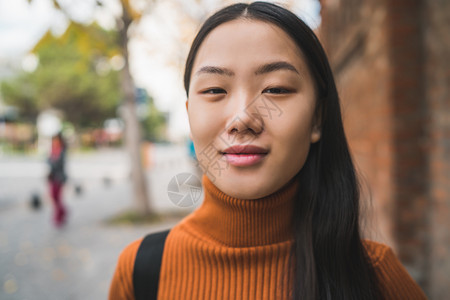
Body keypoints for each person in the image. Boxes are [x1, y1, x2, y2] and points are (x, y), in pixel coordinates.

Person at [109, 2, 427, 299]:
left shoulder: (376, 276)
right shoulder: (140, 272)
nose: (242, 118)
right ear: (190, 112)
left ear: (317, 118)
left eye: (275, 89)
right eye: (215, 90)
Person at [47, 132, 67, 227]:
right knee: (53, 196)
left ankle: (58, 217)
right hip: (52, 177)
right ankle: (63, 211)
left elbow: (59, 164)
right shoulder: (52, 150)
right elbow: (47, 160)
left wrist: (52, 161)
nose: (55, 142)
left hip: (59, 177)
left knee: (57, 197)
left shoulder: (62, 151)